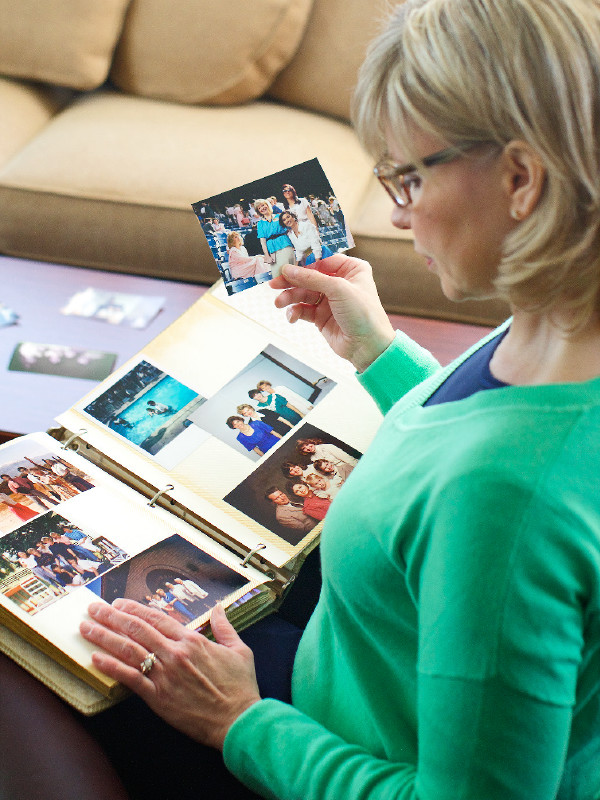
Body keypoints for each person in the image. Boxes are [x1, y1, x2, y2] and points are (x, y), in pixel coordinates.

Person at [50, 1, 600, 798]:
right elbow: (487, 426)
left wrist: (240, 723)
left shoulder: (506, 501)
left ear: (521, 178)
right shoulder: (563, 318)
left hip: (312, 745)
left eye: (408, 176)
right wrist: (378, 353)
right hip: (354, 672)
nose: (395, 210)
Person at [254, 199, 295, 278]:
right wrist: (267, 255)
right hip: (272, 250)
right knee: (277, 275)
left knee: (287, 271)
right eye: (259, 208)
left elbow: (290, 228)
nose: (262, 208)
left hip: (284, 244)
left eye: (263, 205)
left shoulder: (279, 216)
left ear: (267, 205)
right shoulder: (260, 224)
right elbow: (263, 241)